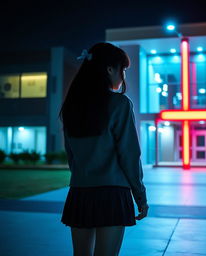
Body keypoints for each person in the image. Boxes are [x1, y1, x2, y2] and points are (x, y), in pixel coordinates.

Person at [58, 42, 149, 256]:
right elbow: (129, 155)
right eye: (123, 69)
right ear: (109, 69)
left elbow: (71, 156)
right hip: (112, 193)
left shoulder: (72, 106)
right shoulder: (119, 104)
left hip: (80, 193)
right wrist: (141, 197)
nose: (123, 76)